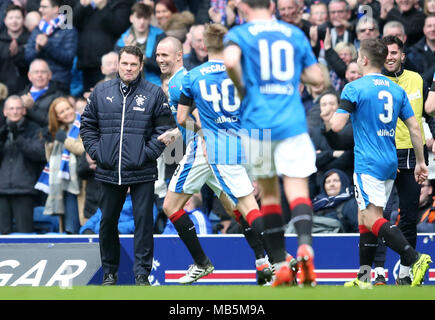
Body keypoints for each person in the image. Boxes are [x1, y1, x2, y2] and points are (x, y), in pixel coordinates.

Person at [156, 35, 277, 286]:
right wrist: (178, 133)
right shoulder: (186, 79)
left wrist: (200, 137)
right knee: (237, 209)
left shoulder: (183, 80)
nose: (160, 59)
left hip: (203, 149)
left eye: (165, 55)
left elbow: (200, 118)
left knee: (170, 206)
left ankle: (202, 262)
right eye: (157, 55)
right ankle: (265, 261)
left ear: (180, 55)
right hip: (217, 147)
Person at [224, 0, 324, 287]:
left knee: (268, 196)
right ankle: (306, 247)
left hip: (258, 127)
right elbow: (317, 78)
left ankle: (281, 264)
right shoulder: (292, 33)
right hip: (292, 122)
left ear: (243, 6)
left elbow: (230, 61)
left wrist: (242, 86)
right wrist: (296, 73)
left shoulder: (240, 34)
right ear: (271, 5)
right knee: (297, 190)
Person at [328, 38, 432, 288]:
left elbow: (337, 125)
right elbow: (415, 127)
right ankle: (364, 277)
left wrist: (330, 120)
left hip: (367, 162)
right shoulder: (396, 90)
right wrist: (420, 162)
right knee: (366, 219)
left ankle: (413, 257)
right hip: (390, 160)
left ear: (363, 60)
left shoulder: (354, 88)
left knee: (373, 218)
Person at [80, 46, 175, 286]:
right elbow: (87, 125)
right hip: (109, 170)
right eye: (125, 64)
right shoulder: (101, 91)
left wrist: (146, 154)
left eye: (134, 65)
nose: (129, 69)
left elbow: (165, 130)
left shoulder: (154, 93)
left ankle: (142, 274)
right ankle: (109, 272)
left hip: (142, 170)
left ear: (141, 66)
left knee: (143, 222)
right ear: (118, 64)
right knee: (107, 222)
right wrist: (97, 152)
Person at [371, 35, 434, 285]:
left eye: (394, 53)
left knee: (408, 216)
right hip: (383, 155)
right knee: (379, 215)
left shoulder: (417, 79)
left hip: (412, 156)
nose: (390, 57)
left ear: (403, 55)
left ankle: (406, 273)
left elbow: (424, 117)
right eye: (385, 53)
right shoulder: (373, 83)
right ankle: (376, 272)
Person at [35, 97, 84, 234]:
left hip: (81, 182)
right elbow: (51, 160)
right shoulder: (60, 130)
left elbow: (83, 150)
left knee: (80, 223)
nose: (66, 113)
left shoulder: (85, 124)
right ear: (57, 117)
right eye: (61, 112)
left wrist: (65, 140)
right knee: (69, 226)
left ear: (72, 107)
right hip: (63, 183)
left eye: (68, 108)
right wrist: (49, 143)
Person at [0, 95, 46, 234]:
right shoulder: (1, 131)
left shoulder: (34, 129)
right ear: (5, 112)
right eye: (11, 108)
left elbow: (39, 154)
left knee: (25, 235)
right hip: (1, 190)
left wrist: (18, 138)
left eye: (18, 108)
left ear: (24, 111)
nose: (14, 111)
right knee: (2, 237)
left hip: (24, 190)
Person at [73, 0, 134, 92]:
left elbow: (119, 27)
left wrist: (103, 7)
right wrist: (81, 5)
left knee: (109, 96)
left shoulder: (121, 3)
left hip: (108, 64)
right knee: (90, 99)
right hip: (86, 63)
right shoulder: (87, 5)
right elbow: (71, 23)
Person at [25, 0, 78, 94]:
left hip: (60, 83)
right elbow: (27, 58)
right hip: (37, 83)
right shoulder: (38, 30)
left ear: (56, 9)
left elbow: (69, 58)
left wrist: (47, 45)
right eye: (40, 7)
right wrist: (37, 50)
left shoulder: (69, 30)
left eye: (44, 7)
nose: (40, 9)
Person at [115, 2, 165, 86]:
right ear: (131, 18)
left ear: (150, 19)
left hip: (155, 85)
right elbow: (117, 69)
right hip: (129, 86)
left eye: (145, 18)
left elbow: (162, 66)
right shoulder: (122, 40)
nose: (142, 22)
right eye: (138, 17)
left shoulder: (160, 36)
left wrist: (139, 55)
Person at [310, 169, 359, 233]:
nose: (331, 184)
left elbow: (358, 232)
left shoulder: (351, 204)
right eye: (328, 182)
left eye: (336, 181)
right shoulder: (315, 205)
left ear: (344, 183)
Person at [19, 59, 64, 128]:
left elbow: (55, 122)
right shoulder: (20, 96)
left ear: (49, 75)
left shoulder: (58, 96)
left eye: (43, 72)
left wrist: (32, 107)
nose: (39, 75)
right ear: (29, 76)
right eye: (36, 72)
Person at [0, 4, 30, 95]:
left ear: (24, 20)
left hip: (25, 89)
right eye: (11, 18)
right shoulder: (1, 41)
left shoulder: (31, 40)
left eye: (17, 17)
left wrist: (17, 55)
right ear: (5, 21)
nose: (14, 21)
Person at [407, 15, 435, 88]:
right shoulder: (413, 52)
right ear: (424, 29)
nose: (433, 29)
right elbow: (417, 80)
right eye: (429, 26)